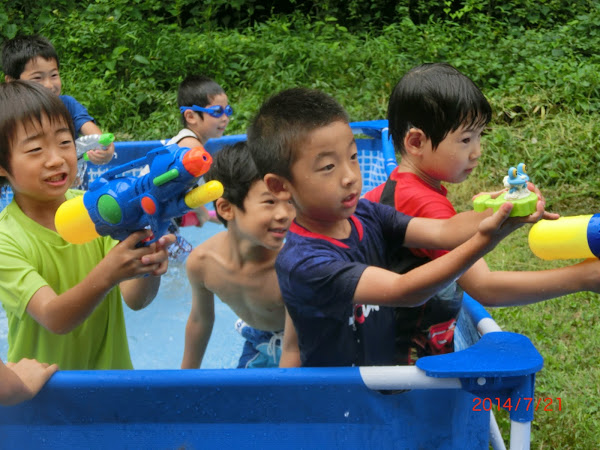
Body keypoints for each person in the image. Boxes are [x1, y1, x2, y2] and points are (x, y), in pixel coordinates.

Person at [246, 87, 549, 368]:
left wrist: (506, 210)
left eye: (352, 157)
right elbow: (405, 290)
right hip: (337, 398)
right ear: (280, 186)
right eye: (328, 167)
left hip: (381, 381)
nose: (350, 176)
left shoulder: (366, 215)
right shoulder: (304, 261)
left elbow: (446, 231)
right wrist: (485, 240)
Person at [364, 62, 600, 364]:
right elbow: (486, 288)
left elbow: (443, 229)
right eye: (465, 139)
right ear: (416, 142)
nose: (477, 151)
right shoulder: (423, 202)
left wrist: (490, 207)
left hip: (378, 345)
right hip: (405, 373)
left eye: (479, 136)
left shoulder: (401, 187)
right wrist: (583, 277)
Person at [0, 80, 175, 370]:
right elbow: (54, 318)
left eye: (65, 142)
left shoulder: (96, 206)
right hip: (41, 394)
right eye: (35, 150)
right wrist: (108, 274)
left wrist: (147, 261)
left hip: (112, 384)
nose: (56, 159)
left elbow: (135, 300)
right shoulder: (6, 238)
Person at [182, 141, 295, 369]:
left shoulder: (294, 268)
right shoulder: (202, 263)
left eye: (291, 200)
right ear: (226, 208)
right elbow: (200, 320)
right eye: (270, 202)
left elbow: (296, 348)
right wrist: (185, 380)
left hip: (308, 341)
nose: (285, 214)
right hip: (258, 340)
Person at [2, 34, 115, 188]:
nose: (49, 85)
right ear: (12, 82)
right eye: (37, 78)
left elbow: (97, 136)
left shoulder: (67, 105)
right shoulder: (9, 116)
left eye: (54, 75)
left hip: (73, 190)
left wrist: (105, 150)